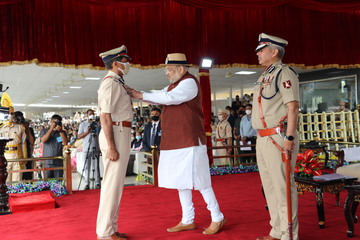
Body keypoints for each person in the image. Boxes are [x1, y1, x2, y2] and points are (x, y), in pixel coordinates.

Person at [126, 53, 226, 235]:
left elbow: (170, 98)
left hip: (189, 140)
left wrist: (141, 95)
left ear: (181, 68)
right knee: (181, 182)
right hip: (175, 141)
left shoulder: (189, 82)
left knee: (201, 181)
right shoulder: (174, 85)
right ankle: (188, 219)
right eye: (166, 70)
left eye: (169, 69)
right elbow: (161, 94)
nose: (167, 73)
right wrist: (138, 95)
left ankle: (217, 217)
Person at [252, 33, 299, 240]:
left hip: (278, 137)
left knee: (282, 186)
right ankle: (277, 231)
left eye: (262, 50)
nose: (258, 54)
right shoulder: (263, 77)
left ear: (274, 52)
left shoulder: (285, 73)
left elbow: (293, 107)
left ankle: (289, 234)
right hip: (262, 138)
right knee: (269, 187)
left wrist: (289, 139)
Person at [96, 45, 132, 240]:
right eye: (125, 60)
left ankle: (112, 228)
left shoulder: (118, 81)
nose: (128, 63)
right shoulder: (110, 82)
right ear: (116, 63)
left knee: (116, 185)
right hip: (115, 132)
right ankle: (105, 232)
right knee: (111, 184)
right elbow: (105, 117)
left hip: (121, 131)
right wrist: (111, 146)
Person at [0, 107, 27, 183]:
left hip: (17, 156)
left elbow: (23, 144)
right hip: (4, 156)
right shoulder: (1, 127)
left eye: (11, 113)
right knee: (5, 180)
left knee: (17, 180)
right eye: (7, 113)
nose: (9, 115)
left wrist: (24, 160)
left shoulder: (20, 127)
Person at [77, 109, 100, 190]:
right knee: (87, 167)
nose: (91, 115)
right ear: (86, 115)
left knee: (96, 166)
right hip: (86, 148)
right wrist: (87, 132)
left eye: (93, 114)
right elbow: (79, 136)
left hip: (96, 147)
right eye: (90, 114)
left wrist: (100, 148)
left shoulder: (97, 124)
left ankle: (97, 182)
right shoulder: (83, 124)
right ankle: (87, 183)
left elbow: (100, 136)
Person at [39, 114, 68, 179]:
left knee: (58, 181)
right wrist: (51, 128)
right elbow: (43, 140)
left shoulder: (61, 132)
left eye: (58, 122)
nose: (56, 124)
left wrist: (60, 131)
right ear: (51, 121)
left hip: (58, 161)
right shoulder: (44, 131)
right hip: (47, 161)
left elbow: (65, 143)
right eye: (55, 122)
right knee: (47, 181)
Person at [13, 111, 35, 180]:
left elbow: (32, 142)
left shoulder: (28, 129)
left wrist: (27, 128)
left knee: (27, 176)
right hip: (15, 156)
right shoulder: (12, 129)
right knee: (16, 176)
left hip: (26, 156)